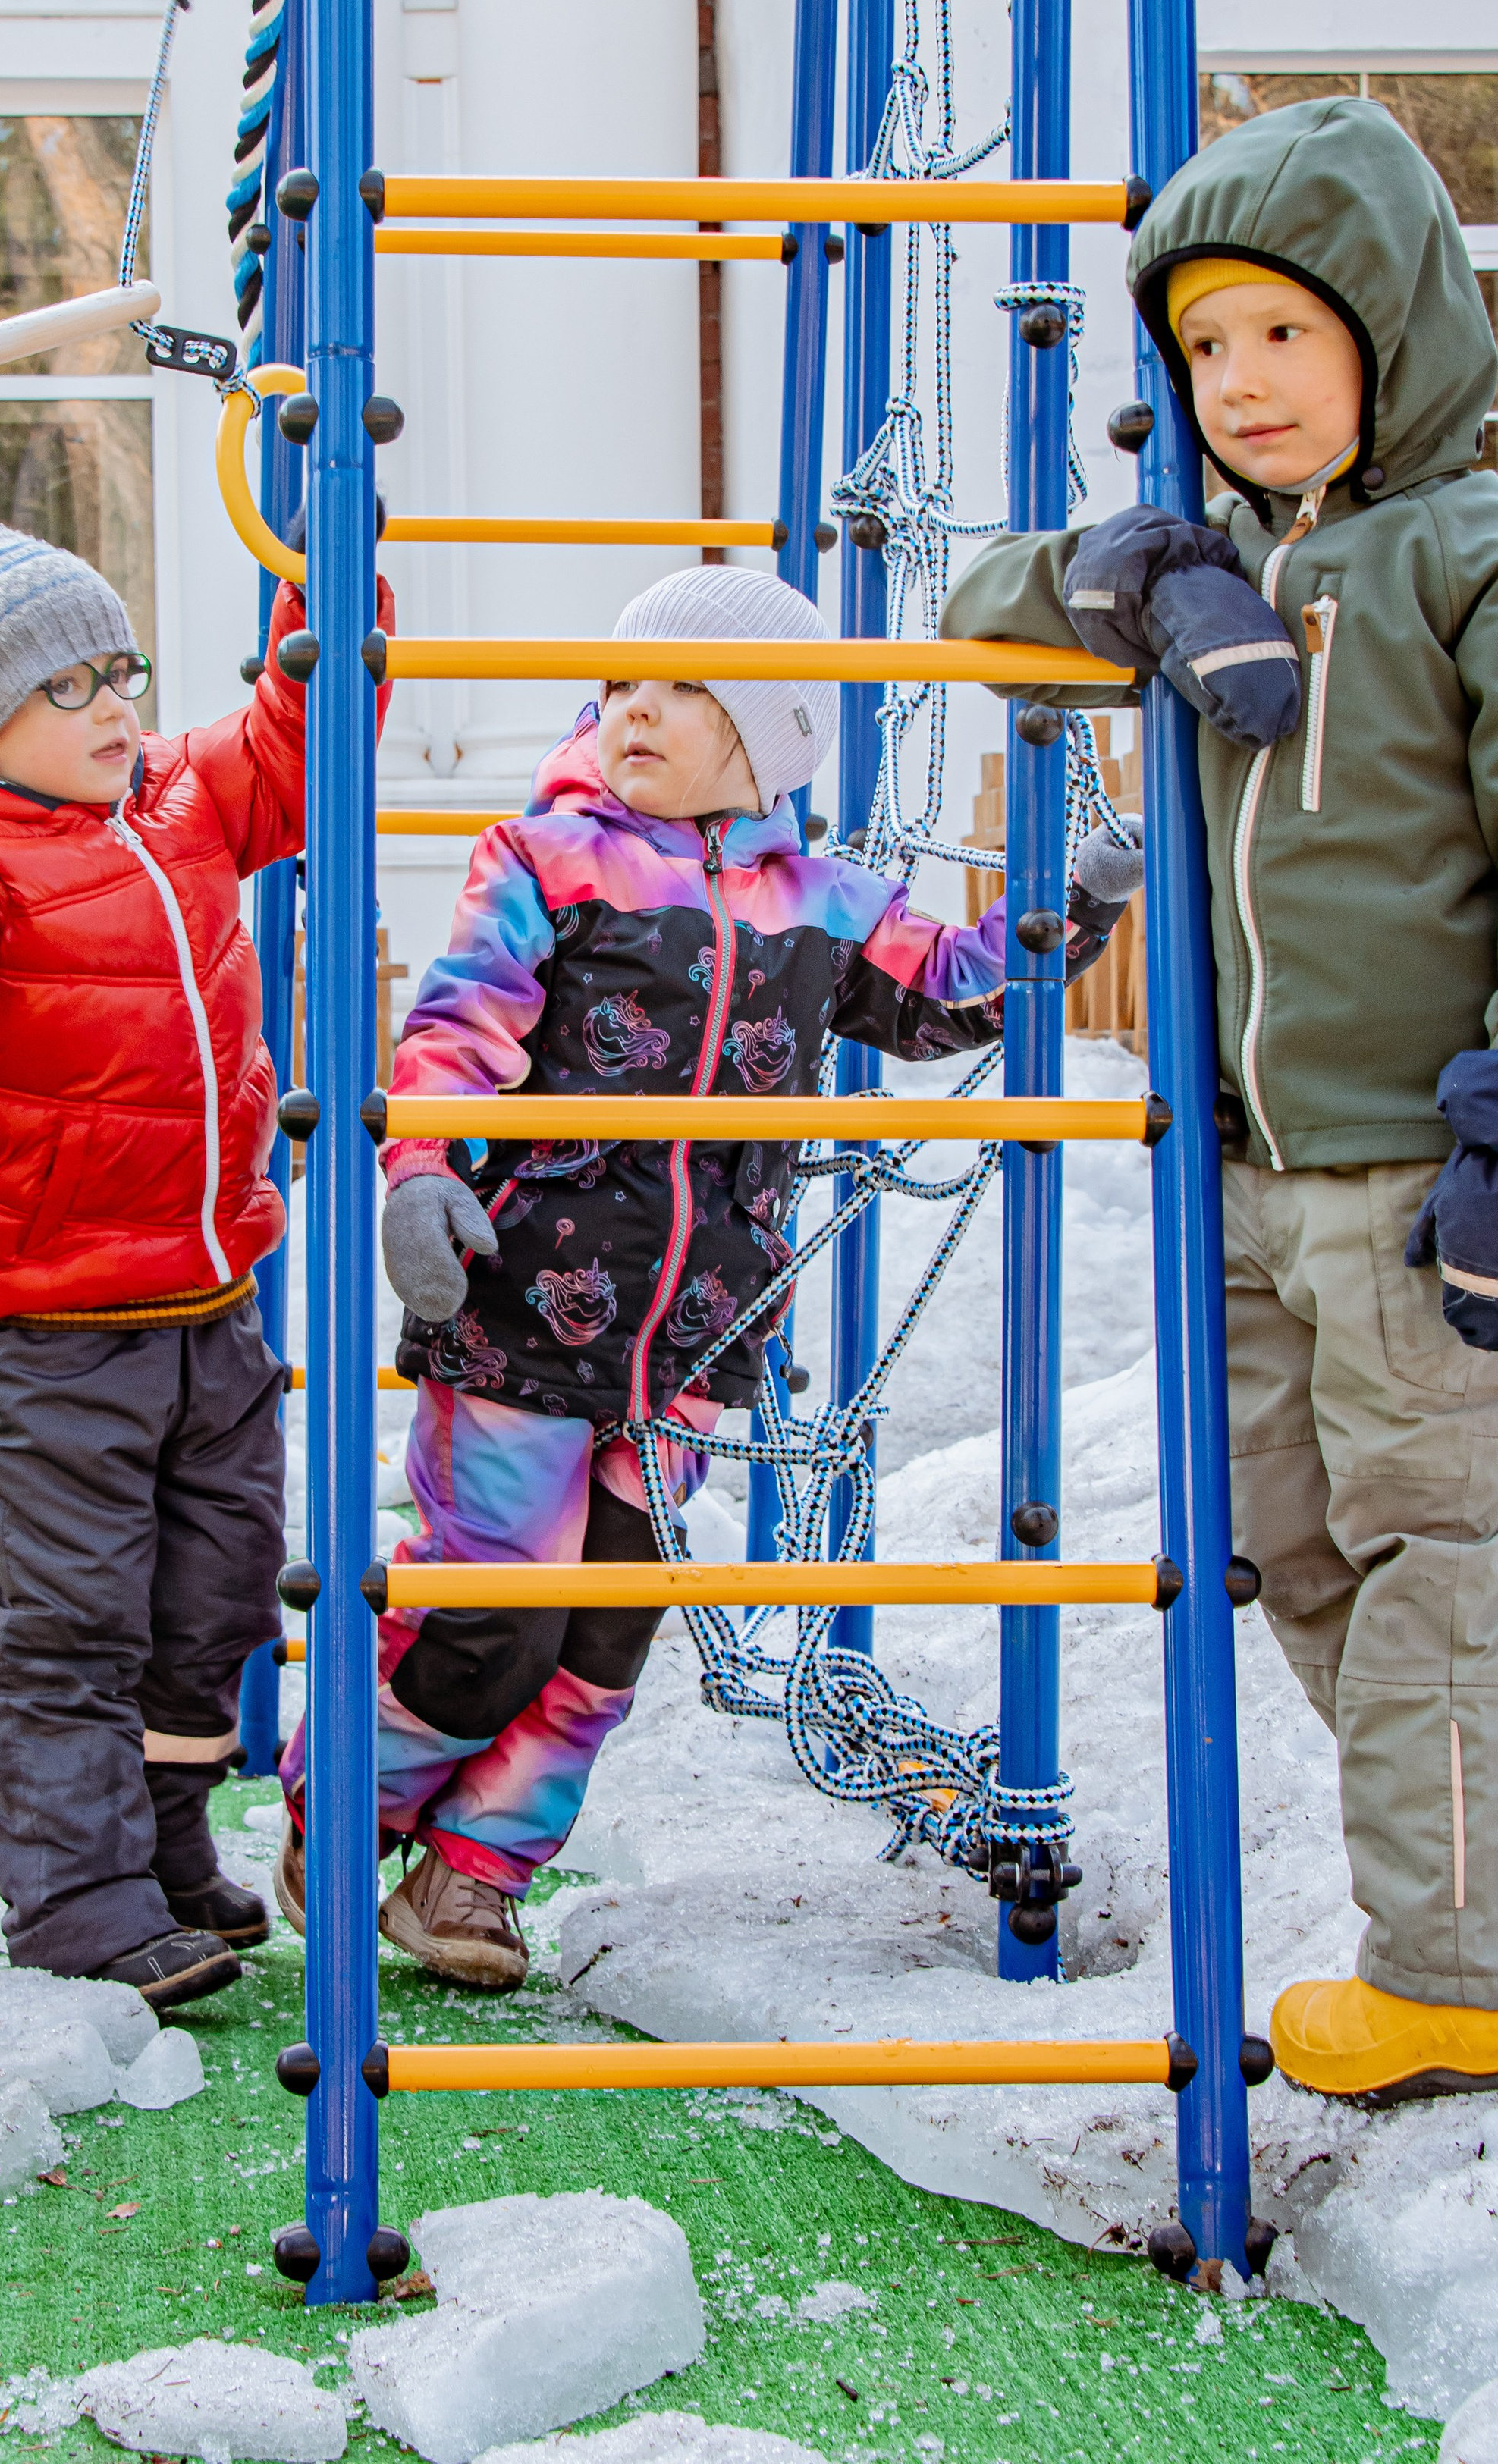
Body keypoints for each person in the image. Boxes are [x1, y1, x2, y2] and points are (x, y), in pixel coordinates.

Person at [942, 94, 1498, 2105]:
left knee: (1432, 1559)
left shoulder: (1484, 558)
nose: (1240, 382)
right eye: (1205, 349)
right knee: (1303, 1555)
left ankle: (1483, 1974)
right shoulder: (1223, 562)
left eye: (1283, 335)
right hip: (1258, 1171)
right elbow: (973, 611)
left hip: (1430, 1174)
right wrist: (1125, 568)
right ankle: (1476, 1896)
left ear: (1390, 327)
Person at [275, 563, 1144, 1990]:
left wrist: (1076, 905)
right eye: (618, 687)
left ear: (773, 728)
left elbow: (953, 992)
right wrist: (423, 1167)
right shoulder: (545, 860)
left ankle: (475, 1877)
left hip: (695, 1333)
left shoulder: (827, 903)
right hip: (525, 1305)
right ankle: (345, 1814)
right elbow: (460, 1024)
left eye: (683, 691)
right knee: (495, 1605)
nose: (636, 714)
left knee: (612, 1626)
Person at [0, 477, 389, 2012]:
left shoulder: (178, 807)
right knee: (71, 1621)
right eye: (62, 687)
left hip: (211, 1309)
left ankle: (164, 1852)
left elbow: (298, 734)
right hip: (52, 1330)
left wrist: (333, 563)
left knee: (213, 1604)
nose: (112, 706)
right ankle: (75, 1903)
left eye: (117, 669)